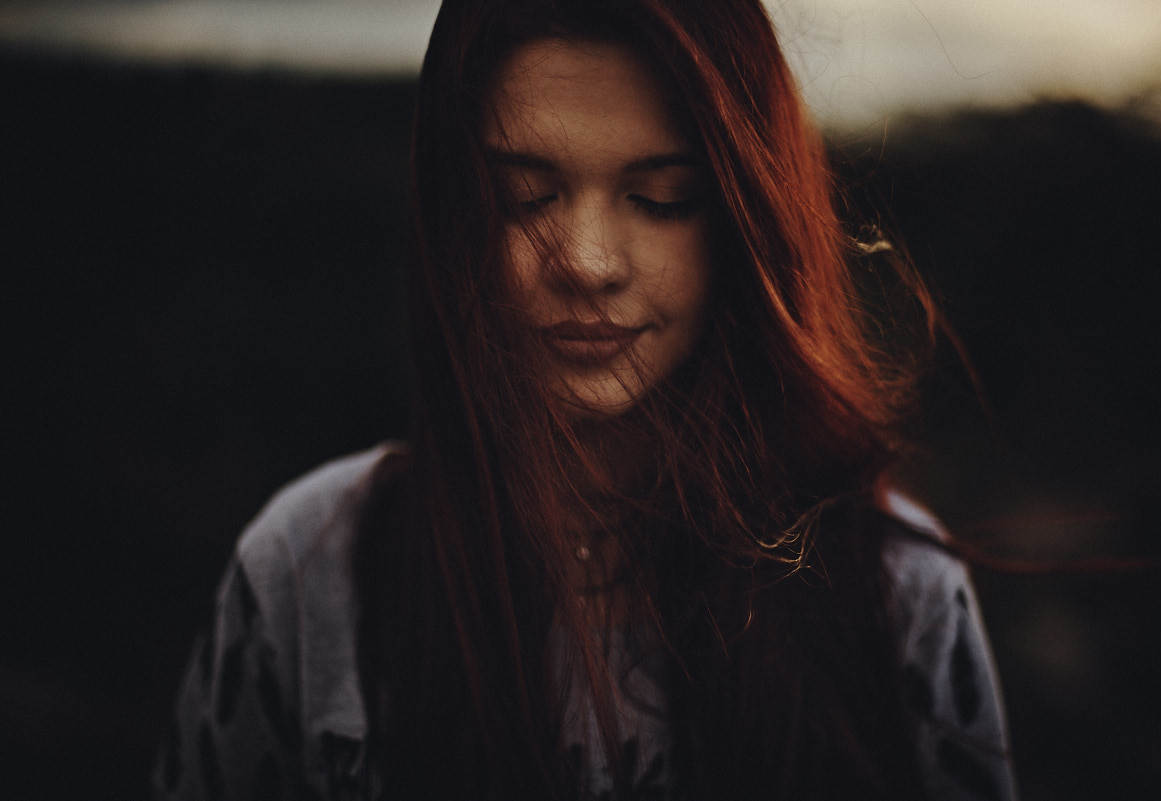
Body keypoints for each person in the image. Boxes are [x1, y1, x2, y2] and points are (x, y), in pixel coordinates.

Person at [154, 1, 1017, 799]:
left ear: (743, 220)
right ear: (454, 216)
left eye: (660, 199)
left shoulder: (895, 594)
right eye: (524, 197)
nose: (589, 260)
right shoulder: (312, 569)